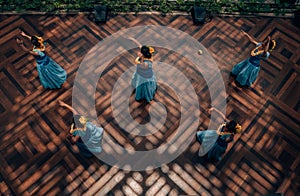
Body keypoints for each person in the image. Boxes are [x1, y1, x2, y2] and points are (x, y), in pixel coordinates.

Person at [130, 37, 157, 102]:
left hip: (143, 77)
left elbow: (138, 63)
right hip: (146, 73)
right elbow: (140, 46)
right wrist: (133, 39)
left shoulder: (145, 64)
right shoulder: (150, 55)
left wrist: (139, 57)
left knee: (142, 86)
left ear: (143, 54)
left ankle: (142, 96)